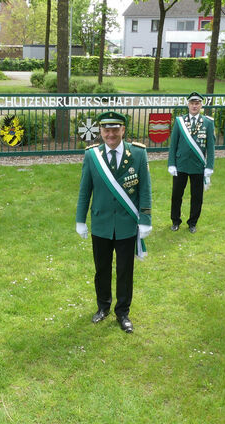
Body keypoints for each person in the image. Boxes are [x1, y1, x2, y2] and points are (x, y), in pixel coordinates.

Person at [76, 111, 152, 333]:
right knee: (101, 269)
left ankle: (123, 312)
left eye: (115, 130)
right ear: (100, 131)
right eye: (106, 130)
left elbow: (145, 189)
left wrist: (145, 219)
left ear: (123, 130)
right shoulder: (92, 156)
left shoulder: (138, 154)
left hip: (127, 224)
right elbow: (84, 191)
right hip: (101, 223)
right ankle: (103, 307)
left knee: (125, 270)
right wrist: (80, 220)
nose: (111, 134)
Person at [167, 91, 216, 233]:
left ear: (201, 105)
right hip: (181, 164)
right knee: (176, 195)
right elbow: (173, 144)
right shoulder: (179, 121)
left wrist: (209, 166)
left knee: (197, 197)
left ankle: (192, 222)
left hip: (198, 166)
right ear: (188, 104)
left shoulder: (208, 123)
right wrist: (171, 163)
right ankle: (175, 221)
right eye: (192, 103)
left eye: (197, 103)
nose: (195, 106)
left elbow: (211, 147)